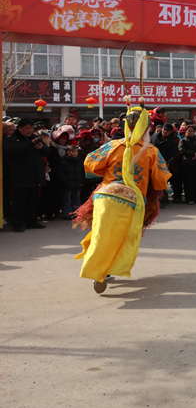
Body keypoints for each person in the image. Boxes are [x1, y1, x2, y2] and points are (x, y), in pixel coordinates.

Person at [75, 104, 172, 294]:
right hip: (133, 198)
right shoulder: (151, 150)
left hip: (105, 193)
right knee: (126, 235)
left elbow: (89, 163)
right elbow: (161, 179)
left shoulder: (112, 145)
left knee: (100, 232)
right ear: (146, 128)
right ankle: (111, 267)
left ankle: (97, 268)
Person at [4, 119, 52, 232]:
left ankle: (31, 221)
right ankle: (17, 223)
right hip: (20, 175)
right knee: (19, 201)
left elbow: (48, 152)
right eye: (27, 128)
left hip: (35, 174)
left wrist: (42, 148)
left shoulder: (34, 138)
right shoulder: (11, 139)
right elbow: (11, 151)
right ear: (19, 128)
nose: (29, 130)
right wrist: (30, 143)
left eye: (31, 128)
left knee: (33, 200)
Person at [151, 123, 179, 207]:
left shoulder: (172, 142)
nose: (165, 131)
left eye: (167, 130)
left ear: (170, 132)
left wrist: (167, 167)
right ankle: (153, 200)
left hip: (164, 165)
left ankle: (164, 201)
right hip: (152, 163)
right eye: (164, 129)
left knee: (163, 183)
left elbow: (172, 156)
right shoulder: (154, 136)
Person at [59, 143, 85, 219]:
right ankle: (67, 214)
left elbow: (83, 172)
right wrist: (64, 181)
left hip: (78, 183)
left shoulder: (80, 162)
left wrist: (82, 180)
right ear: (69, 152)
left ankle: (76, 213)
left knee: (77, 199)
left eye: (76, 152)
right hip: (67, 184)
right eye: (73, 152)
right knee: (67, 199)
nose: (75, 153)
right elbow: (61, 173)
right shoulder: (64, 162)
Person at [178, 125, 196, 204]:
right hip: (187, 163)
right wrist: (193, 154)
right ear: (186, 132)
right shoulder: (183, 141)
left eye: (192, 131)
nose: (190, 132)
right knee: (188, 182)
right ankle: (189, 198)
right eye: (189, 131)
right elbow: (182, 150)